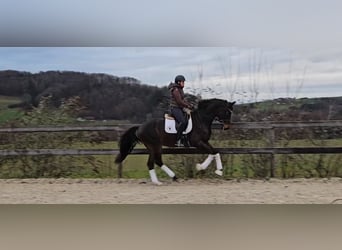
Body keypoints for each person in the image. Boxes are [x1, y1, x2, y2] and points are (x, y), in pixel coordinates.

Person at [168, 75, 193, 147]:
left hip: (179, 108)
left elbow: (183, 100)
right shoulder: (175, 90)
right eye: (183, 82)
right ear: (178, 82)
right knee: (182, 122)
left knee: (188, 119)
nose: (184, 83)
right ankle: (177, 140)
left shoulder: (180, 89)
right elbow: (179, 101)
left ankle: (185, 138)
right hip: (175, 108)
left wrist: (190, 104)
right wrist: (188, 106)